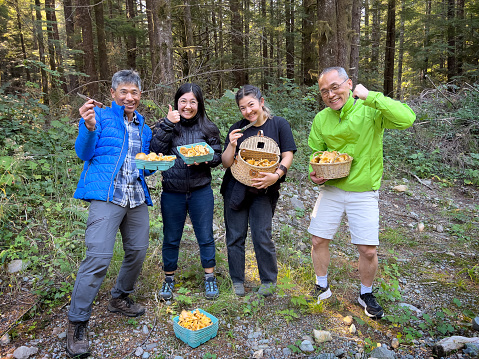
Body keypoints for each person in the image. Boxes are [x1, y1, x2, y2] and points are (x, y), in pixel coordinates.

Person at [308, 67, 416, 318]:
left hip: (364, 191)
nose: (330, 94)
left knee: (368, 249)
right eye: (324, 91)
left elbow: (407, 118)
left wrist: (372, 97)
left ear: (349, 84)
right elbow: (315, 153)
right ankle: (321, 284)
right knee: (318, 239)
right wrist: (314, 173)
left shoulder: (369, 109)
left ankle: (365, 293)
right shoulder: (322, 119)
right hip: (331, 189)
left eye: (335, 87)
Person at [66, 70, 153, 358]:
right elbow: (84, 153)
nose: (130, 97)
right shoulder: (100, 117)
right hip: (107, 195)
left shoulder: (144, 127)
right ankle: (78, 322)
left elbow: (146, 165)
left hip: (136, 198)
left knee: (138, 251)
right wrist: (88, 126)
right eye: (124, 92)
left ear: (140, 96)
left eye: (135, 93)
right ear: (114, 93)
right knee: (99, 257)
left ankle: (120, 298)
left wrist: (157, 165)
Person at [221, 85, 296, 297]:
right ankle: (237, 279)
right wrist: (232, 145)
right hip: (236, 187)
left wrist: (277, 175)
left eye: (251, 105)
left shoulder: (279, 124)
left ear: (261, 102)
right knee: (235, 235)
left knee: (262, 234)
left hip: (264, 188)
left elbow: (288, 154)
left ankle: (268, 280)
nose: (248, 111)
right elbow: (226, 163)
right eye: (242, 108)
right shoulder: (238, 129)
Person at [150, 83, 222, 301]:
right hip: (172, 191)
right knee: (171, 237)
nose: (188, 106)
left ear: (199, 104)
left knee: (205, 236)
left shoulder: (208, 127)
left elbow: (217, 156)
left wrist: (205, 159)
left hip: (201, 191)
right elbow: (156, 152)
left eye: (192, 102)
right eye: (183, 101)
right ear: (176, 103)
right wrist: (167, 126)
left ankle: (210, 277)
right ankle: (169, 279)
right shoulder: (167, 125)